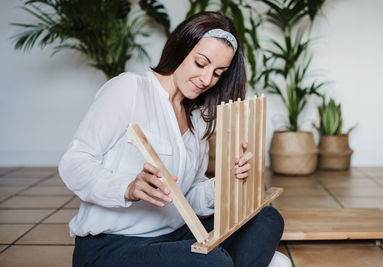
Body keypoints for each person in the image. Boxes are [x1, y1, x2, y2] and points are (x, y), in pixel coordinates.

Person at [59, 11, 287, 267]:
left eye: (218, 73)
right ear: (181, 48)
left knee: (267, 218)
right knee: (214, 262)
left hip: (174, 236)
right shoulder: (129, 89)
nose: (206, 79)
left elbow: (189, 198)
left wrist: (227, 181)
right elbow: (73, 163)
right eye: (201, 63)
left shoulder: (198, 119)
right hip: (113, 245)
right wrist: (128, 188)